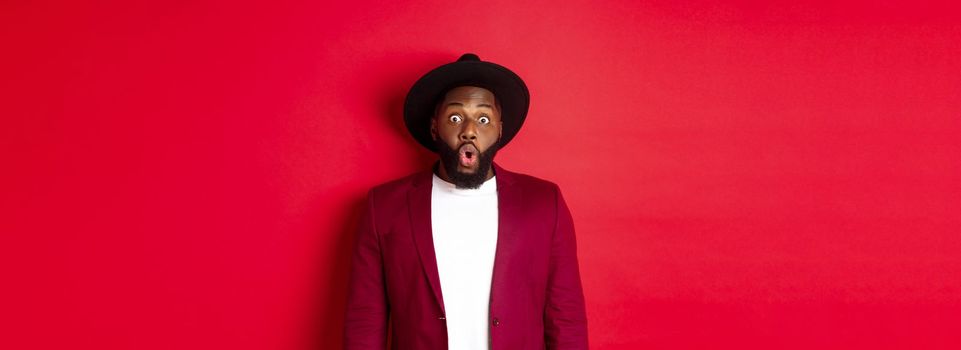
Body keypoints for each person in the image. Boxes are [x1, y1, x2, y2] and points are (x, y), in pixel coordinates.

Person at [344, 53, 588, 350]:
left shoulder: (544, 203)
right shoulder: (383, 207)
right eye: (455, 117)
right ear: (435, 127)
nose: (469, 130)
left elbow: (566, 316)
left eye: (483, 119)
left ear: (499, 129)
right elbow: (365, 319)